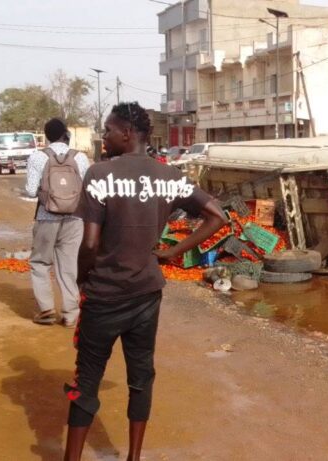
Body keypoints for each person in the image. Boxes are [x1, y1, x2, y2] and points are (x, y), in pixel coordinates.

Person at [64, 102, 226, 461]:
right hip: (146, 296)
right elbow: (217, 215)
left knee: (86, 381)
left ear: (126, 133)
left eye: (108, 130)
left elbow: (89, 244)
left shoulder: (99, 174)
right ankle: (134, 457)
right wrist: (173, 252)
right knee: (141, 378)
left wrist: (81, 281)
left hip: (104, 296)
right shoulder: (170, 176)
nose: (103, 136)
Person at [26, 119, 90, 328]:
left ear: (46, 136)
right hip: (75, 218)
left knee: (40, 263)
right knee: (69, 265)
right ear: (66, 134)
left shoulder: (38, 157)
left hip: (47, 217)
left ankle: (46, 310)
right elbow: (86, 188)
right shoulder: (80, 157)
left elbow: (30, 191)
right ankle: (71, 314)